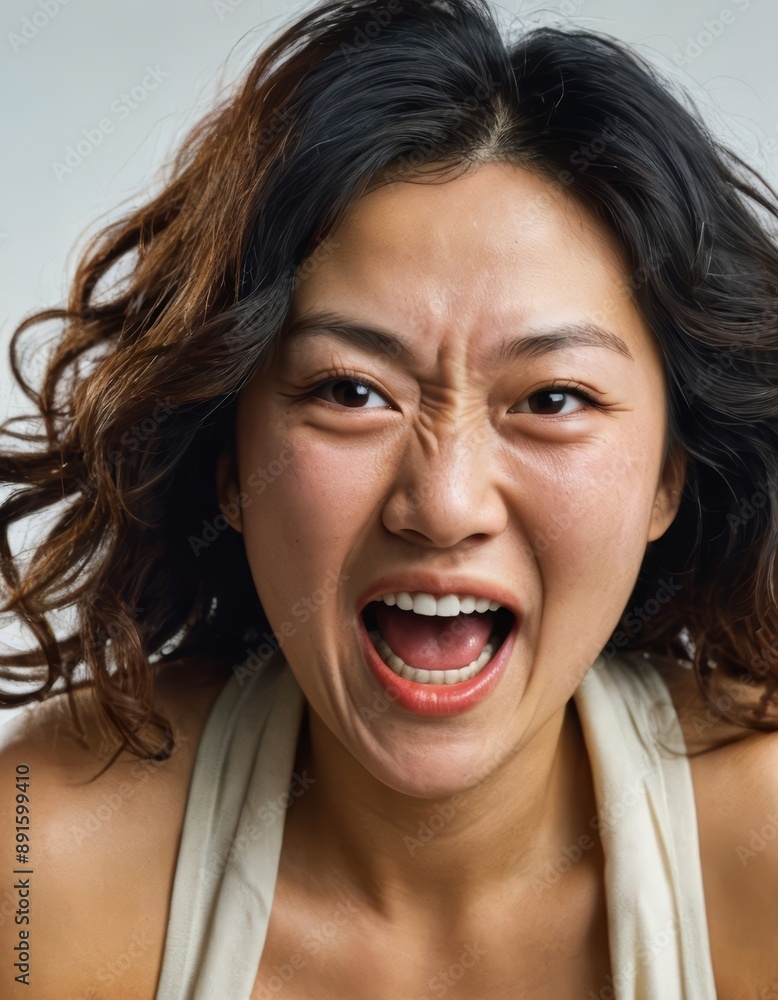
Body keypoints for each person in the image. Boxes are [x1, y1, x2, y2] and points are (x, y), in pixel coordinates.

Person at [0, 0, 776, 996]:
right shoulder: (39, 854)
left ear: (670, 473)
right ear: (232, 460)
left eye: (551, 399)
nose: (443, 504)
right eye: (351, 391)